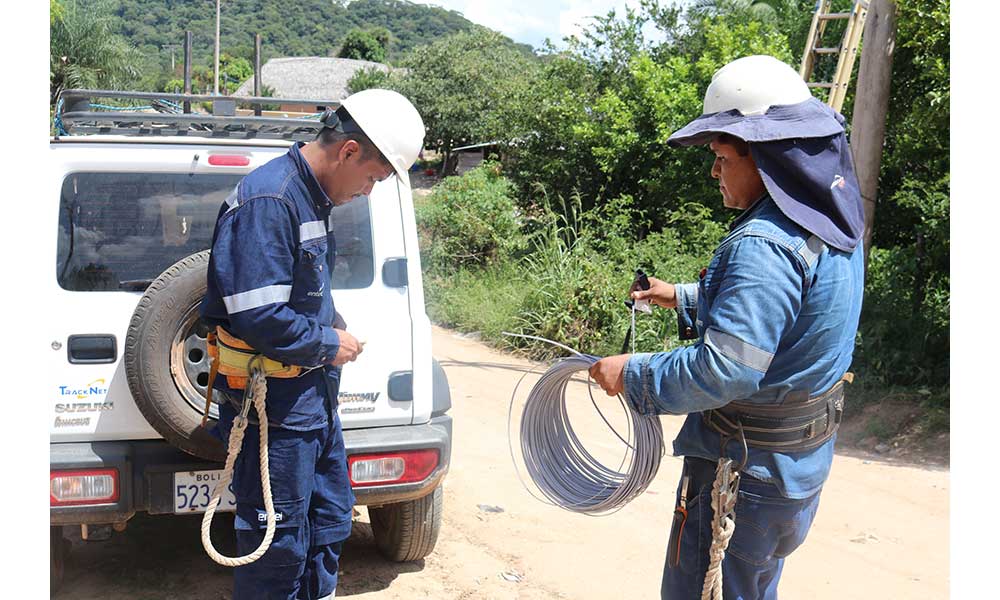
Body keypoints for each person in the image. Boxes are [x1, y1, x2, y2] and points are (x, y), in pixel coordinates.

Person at [589, 55, 866, 599]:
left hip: (741, 476)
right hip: (793, 472)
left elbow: (729, 367)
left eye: (720, 157)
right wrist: (680, 298)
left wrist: (634, 374)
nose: (713, 171)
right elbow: (787, 319)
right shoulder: (828, 224)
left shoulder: (761, 245)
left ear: (767, 159)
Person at [199, 88, 425, 600]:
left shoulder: (311, 197)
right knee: (278, 544)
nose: (368, 191)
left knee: (327, 522)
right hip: (275, 414)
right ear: (348, 152)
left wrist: (329, 320)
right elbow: (257, 314)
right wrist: (326, 343)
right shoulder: (271, 199)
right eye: (372, 178)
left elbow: (296, 291)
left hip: (311, 405)